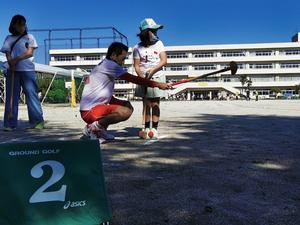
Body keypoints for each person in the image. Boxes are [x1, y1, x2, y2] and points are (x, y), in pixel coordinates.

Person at [80, 42, 171, 141]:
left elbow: (102, 93)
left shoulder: (105, 64)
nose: (123, 62)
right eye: (122, 58)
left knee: (127, 105)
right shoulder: (110, 65)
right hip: (89, 111)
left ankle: (100, 130)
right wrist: (158, 84)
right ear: (114, 55)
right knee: (125, 112)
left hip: (95, 106)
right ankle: (93, 128)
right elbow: (134, 79)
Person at [0, 15, 44, 131]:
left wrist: (16, 60)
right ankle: (10, 123)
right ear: (13, 25)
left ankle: (37, 121)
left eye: (23, 24)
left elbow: (30, 53)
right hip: (13, 71)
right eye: (19, 24)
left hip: (28, 71)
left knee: (32, 96)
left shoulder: (30, 37)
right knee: (11, 98)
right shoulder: (8, 38)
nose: (22, 27)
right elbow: (7, 53)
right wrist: (11, 63)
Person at [133, 18, 167, 139]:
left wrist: (152, 71)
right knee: (146, 103)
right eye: (153, 30)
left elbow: (163, 61)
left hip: (157, 76)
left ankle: (155, 128)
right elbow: (136, 66)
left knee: (155, 103)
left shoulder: (159, 43)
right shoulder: (137, 47)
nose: (155, 33)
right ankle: (147, 127)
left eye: (156, 31)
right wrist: (142, 77)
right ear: (145, 32)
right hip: (144, 78)